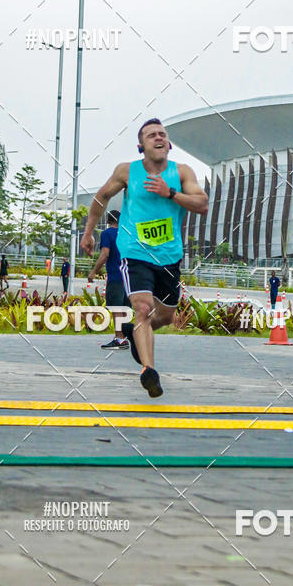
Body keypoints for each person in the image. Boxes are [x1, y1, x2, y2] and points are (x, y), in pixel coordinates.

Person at [81, 118, 208, 398]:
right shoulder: (127, 172)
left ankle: (133, 331)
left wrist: (170, 193)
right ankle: (149, 371)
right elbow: (101, 197)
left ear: (169, 144)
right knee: (142, 308)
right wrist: (89, 232)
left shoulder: (182, 172)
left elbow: (202, 204)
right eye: (151, 135)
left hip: (169, 256)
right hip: (134, 253)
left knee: (163, 316)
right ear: (141, 146)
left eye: (162, 134)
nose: (158, 137)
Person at [87, 210, 130, 351]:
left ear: (108, 221)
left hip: (116, 276)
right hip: (129, 277)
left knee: (116, 308)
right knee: (124, 309)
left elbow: (105, 254)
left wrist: (94, 271)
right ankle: (124, 338)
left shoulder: (107, 234)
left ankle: (118, 338)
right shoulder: (128, 233)